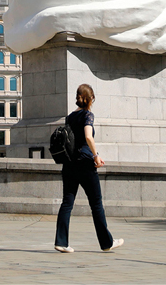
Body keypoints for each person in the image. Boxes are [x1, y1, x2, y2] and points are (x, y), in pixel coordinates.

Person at [54, 84, 124, 254]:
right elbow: (87, 136)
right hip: (85, 164)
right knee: (96, 204)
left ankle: (61, 242)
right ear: (89, 99)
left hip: (69, 164)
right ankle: (106, 242)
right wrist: (96, 155)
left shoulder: (70, 117)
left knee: (67, 203)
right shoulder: (88, 115)